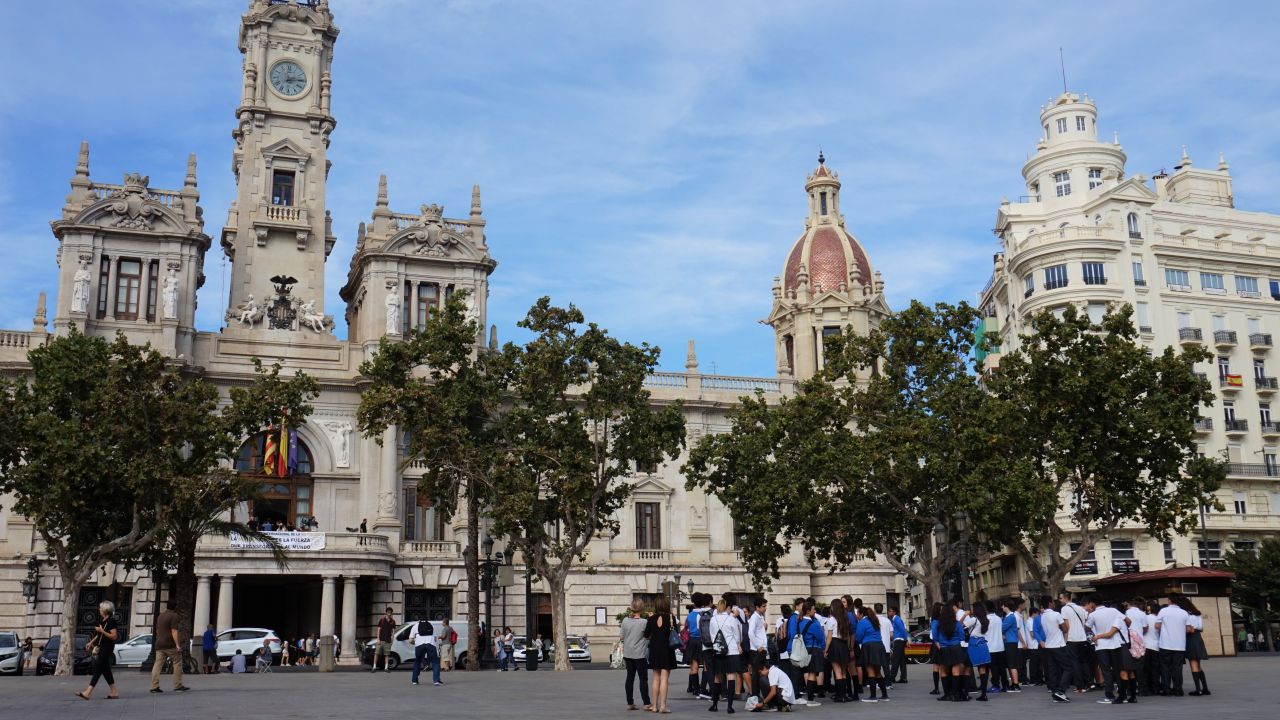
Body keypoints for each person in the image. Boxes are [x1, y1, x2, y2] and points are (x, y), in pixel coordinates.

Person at [1083, 596, 1125, 704]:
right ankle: (1122, 694)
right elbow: (1126, 620)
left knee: (1106, 671)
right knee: (1118, 669)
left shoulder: (1093, 615)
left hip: (1101, 645)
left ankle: (1109, 695)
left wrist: (1092, 636)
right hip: (1115, 644)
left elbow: (1087, 627)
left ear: (1093, 604)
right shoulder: (1113, 610)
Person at [76, 600, 121, 700]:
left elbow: (114, 636)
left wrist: (102, 631)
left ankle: (88, 692)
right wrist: (91, 642)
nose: (99, 609)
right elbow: (99, 635)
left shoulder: (112, 621)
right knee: (106, 670)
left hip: (107, 648)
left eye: (100, 608)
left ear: (105, 610)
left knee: (98, 668)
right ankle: (114, 692)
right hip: (101, 647)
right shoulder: (103, 621)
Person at [707, 596, 745, 713]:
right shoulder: (731, 619)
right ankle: (729, 706)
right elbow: (737, 636)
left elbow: (712, 635)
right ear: (727, 607)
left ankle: (714, 704)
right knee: (731, 676)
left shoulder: (713, 619)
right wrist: (738, 644)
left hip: (718, 651)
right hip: (731, 651)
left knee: (717, 677)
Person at [645, 595, 677, 713]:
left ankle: (654, 706)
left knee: (655, 679)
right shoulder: (671, 617)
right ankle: (663, 706)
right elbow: (675, 633)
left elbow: (646, 635)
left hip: (654, 650)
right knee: (664, 679)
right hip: (667, 650)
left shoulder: (651, 618)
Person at [150, 599, 189, 694]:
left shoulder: (161, 615)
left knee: (157, 665)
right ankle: (178, 685)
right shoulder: (174, 616)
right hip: (170, 644)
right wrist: (177, 645)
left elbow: (158, 630)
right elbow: (174, 631)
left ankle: (154, 686)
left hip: (159, 644)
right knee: (177, 662)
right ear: (175, 607)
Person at [619, 598, 653, 711]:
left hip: (628, 653)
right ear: (642, 608)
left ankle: (630, 702)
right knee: (643, 679)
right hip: (640, 654)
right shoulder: (644, 622)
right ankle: (647, 703)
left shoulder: (625, 620)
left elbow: (622, 637)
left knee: (630, 678)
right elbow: (649, 636)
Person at [1155, 593, 1189, 696]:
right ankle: (1178, 689)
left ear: (1169, 600)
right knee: (1177, 667)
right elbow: (1188, 629)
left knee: (1165, 667)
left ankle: (1166, 689)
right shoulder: (1184, 613)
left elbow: (1157, 625)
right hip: (1180, 645)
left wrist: (1166, 630)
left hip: (1165, 644)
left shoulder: (1163, 611)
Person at [1039, 595, 1071, 703]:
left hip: (1048, 645)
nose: (1054, 603)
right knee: (1068, 668)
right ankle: (1060, 691)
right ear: (1049, 603)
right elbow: (1065, 629)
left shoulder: (1042, 616)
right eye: (1052, 602)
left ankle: (1055, 692)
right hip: (1058, 645)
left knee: (1052, 670)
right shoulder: (1056, 614)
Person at [1058, 591, 1090, 694]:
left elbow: (1066, 626)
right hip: (1082, 637)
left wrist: (1065, 639)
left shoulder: (1064, 609)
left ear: (1065, 598)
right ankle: (1089, 683)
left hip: (1072, 638)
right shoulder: (1080, 608)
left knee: (1074, 662)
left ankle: (1079, 686)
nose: (1060, 600)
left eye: (1060, 598)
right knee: (1084, 662)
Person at [856, 604, 889, 702]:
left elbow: (858, 637)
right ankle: (884, 695)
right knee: (878, 672)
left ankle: (873, 696)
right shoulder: (874, 620)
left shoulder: (862, 622)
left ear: (861, 614)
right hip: (879, 645)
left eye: (857, 613)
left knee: (870, 671)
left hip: (869, 647)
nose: (856, 615)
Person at [1181, 597, 1211, 696]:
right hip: (1198, 638)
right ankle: (1205, 688)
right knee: (1198, 665)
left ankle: (1198, 690)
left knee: (1193, 664)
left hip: (1190, 638)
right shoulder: (1197, 614)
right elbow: (1201, 628)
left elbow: (1189, 630)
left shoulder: (1186, 614)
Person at [962, 603, 992, 702]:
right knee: (982, 669)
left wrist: (965, 615)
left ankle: (966, 694)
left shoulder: (974, 620)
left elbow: (960, 625)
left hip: (973, 645)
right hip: (983, 645)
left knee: (967, 668)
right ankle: (984, 695)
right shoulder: (986, 620)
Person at [824, 598, 852, 702]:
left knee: (837, 671)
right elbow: (848, 636)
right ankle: (844, 695)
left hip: (835, 645)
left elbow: (829, 637)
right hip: (844, 645)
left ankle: (840, 696)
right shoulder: (845, 619)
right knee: (844, 672)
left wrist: (826, 650)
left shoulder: (832, 619)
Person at [746, 598, 769, 699]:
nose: (765, 608)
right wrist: (758, 646)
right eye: (763, 606)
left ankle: (758, 694)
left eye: (765, 606)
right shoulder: (754, 618)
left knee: (760, 673)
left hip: (762, 648)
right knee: (756, 674)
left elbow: (759, 632)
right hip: (756, 650)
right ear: (757, 607)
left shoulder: (761, 617)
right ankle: (754, 694)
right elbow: (750, 633)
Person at [1000, 599, 1024, 692]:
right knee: (1011, 664)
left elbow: (1001, 627)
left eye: (1003, 605)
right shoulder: (1008, 616)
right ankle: (1014, 683)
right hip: (1010, 642)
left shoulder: (1010, 617)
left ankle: (1016, 684)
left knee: (1012, 664)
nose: (1002, 607)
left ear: (1006, 606)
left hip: (1010, 642)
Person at [409, 618, 442, 686]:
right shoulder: (430, 625)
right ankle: (436, 681)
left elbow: (410, 640)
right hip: (430, 644)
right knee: (435, 662)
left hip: (419, 645)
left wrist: (415, 642)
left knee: (417, 662)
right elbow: (435, 638)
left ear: (419, 620)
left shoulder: (415, 626)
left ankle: (414, 680)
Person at [684, 594, 704, 697]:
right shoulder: (702, 614)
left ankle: (693, 688)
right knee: (704, 665)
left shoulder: (689, 615)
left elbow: (686, 627)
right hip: (700, 640)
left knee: (693, 665)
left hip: (691, 640)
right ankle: (699, 688)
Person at [888, 606, 909, 684]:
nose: (889, 612)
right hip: (900, 641)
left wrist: (906, 640)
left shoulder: (896, 619)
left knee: (895, 660)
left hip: (899, 641)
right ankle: (903, 678)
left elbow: (902, 630)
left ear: (894, 612)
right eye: (888, 611)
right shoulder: (895, 619)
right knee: (902, 660)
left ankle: (891, 677)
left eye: (890, 611)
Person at [372, 606, 396, 672]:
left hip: (388, 640)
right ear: (386, 613)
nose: (389, 614)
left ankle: (386, 668)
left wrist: (392, 640)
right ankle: (374, 667)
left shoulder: (393, 621)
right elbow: (378, 630)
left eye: (390, 612)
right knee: (376, 653)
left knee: (387, 655)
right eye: (388, 612)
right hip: (381, 640)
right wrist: (378, 639)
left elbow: (393, 632)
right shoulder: (382, 620)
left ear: (391, 613)